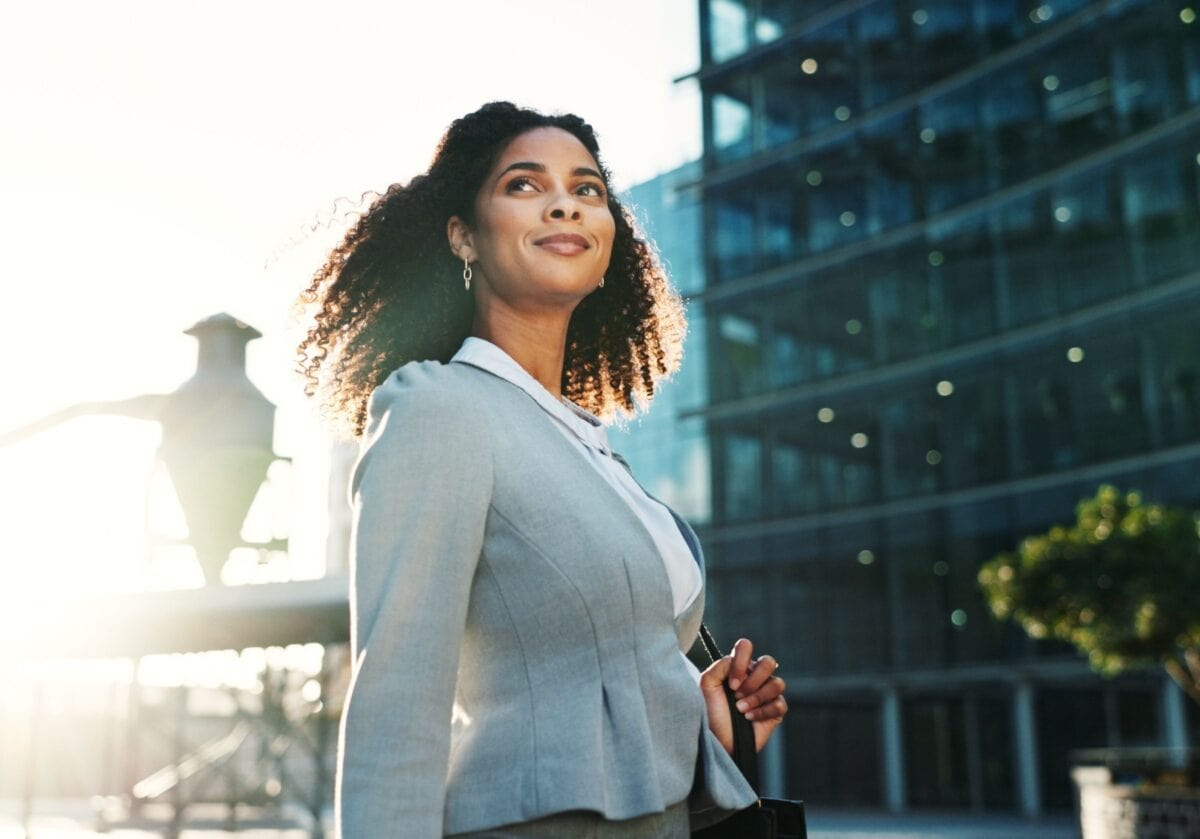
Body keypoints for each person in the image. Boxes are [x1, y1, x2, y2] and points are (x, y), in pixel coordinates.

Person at [296, 101, 788, 838]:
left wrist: (703, 726)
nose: (565, 200)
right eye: (524, 185)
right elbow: (396, 707)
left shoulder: (596, 451)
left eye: (587, 189)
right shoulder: (440, 408)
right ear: (463, 236)